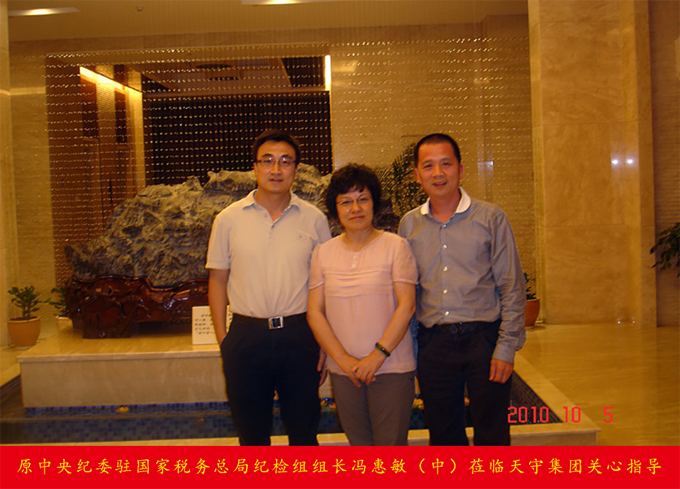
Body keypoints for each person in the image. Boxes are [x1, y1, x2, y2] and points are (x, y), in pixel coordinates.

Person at [398, 133, 526, 446]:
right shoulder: (409, 225)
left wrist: (506, 347)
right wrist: (413, 350)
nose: (438, 173)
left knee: (492, 434)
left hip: (484, 339)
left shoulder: (490, 217)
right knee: (443, 437)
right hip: (434, 343)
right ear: (417, 175)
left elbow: (511, 286)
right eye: (428, 166)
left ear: (460, 169)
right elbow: (409, 293)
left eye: (446, 164)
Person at [206, 129, 331, 446]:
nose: (276, 169)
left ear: (296, 169)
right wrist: (224, 340)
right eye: (268, 160)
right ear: (255, 167)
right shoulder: (228, 219)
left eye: (285, 161)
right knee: (251, 438)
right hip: (246, 336)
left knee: (304, 435)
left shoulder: (314, 219)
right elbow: (218, 280)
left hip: (300, 335)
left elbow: (325, 283)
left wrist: (326, 343)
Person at [307, 163, 418, 446]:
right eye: (346, 202)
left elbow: (406, 306)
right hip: (344, 372)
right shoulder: (323, 253)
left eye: (363, 199)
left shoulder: (396, 246)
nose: (355, 208)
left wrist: (377, 356)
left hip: (391, 367)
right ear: (335, 208)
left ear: (374, 203)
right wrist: (342, 360)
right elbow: (315, 313)